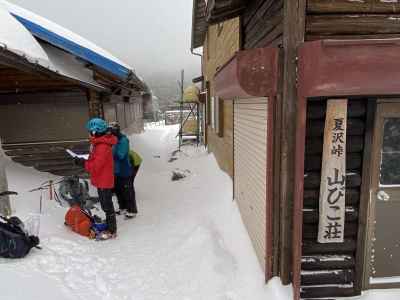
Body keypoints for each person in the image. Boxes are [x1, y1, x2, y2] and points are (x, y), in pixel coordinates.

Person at [74, 118, 118, 239]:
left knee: (107, 205)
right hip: (101, 178)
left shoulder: (102, 146)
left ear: (95, 132)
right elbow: (95, 160)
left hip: (104, 180)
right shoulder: (98, 144)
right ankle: (110, 224)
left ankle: (112, 230)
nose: (88, 134)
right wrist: (84, 159)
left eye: (90, 131)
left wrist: (82, 163)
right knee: (105, 204)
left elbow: (95, 166)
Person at [108, 122, 136, 219]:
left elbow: (121, 155)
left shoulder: (123, 140)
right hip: (116, 171)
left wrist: (111, 150)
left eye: (112, 131)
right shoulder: (114, 140)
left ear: (116, 130)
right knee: (119, 191)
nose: (110, 133)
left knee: (128, 191)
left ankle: (132, 210)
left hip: (125, 170)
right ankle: (123, 207)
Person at [128, 150, 142, 217]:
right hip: (134, 160)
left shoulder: (126, 155)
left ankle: (131, 194)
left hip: (136, 162)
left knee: (130, 180)